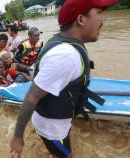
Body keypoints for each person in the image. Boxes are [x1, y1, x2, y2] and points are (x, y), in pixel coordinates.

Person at [10, 0, 119, 158]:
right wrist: (18, 137)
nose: (103, 19)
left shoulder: (61, 41)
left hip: (54, 120)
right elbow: (31, 98)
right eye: (99, 13)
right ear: (81, 19)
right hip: (52, 129)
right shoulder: (66, 55)